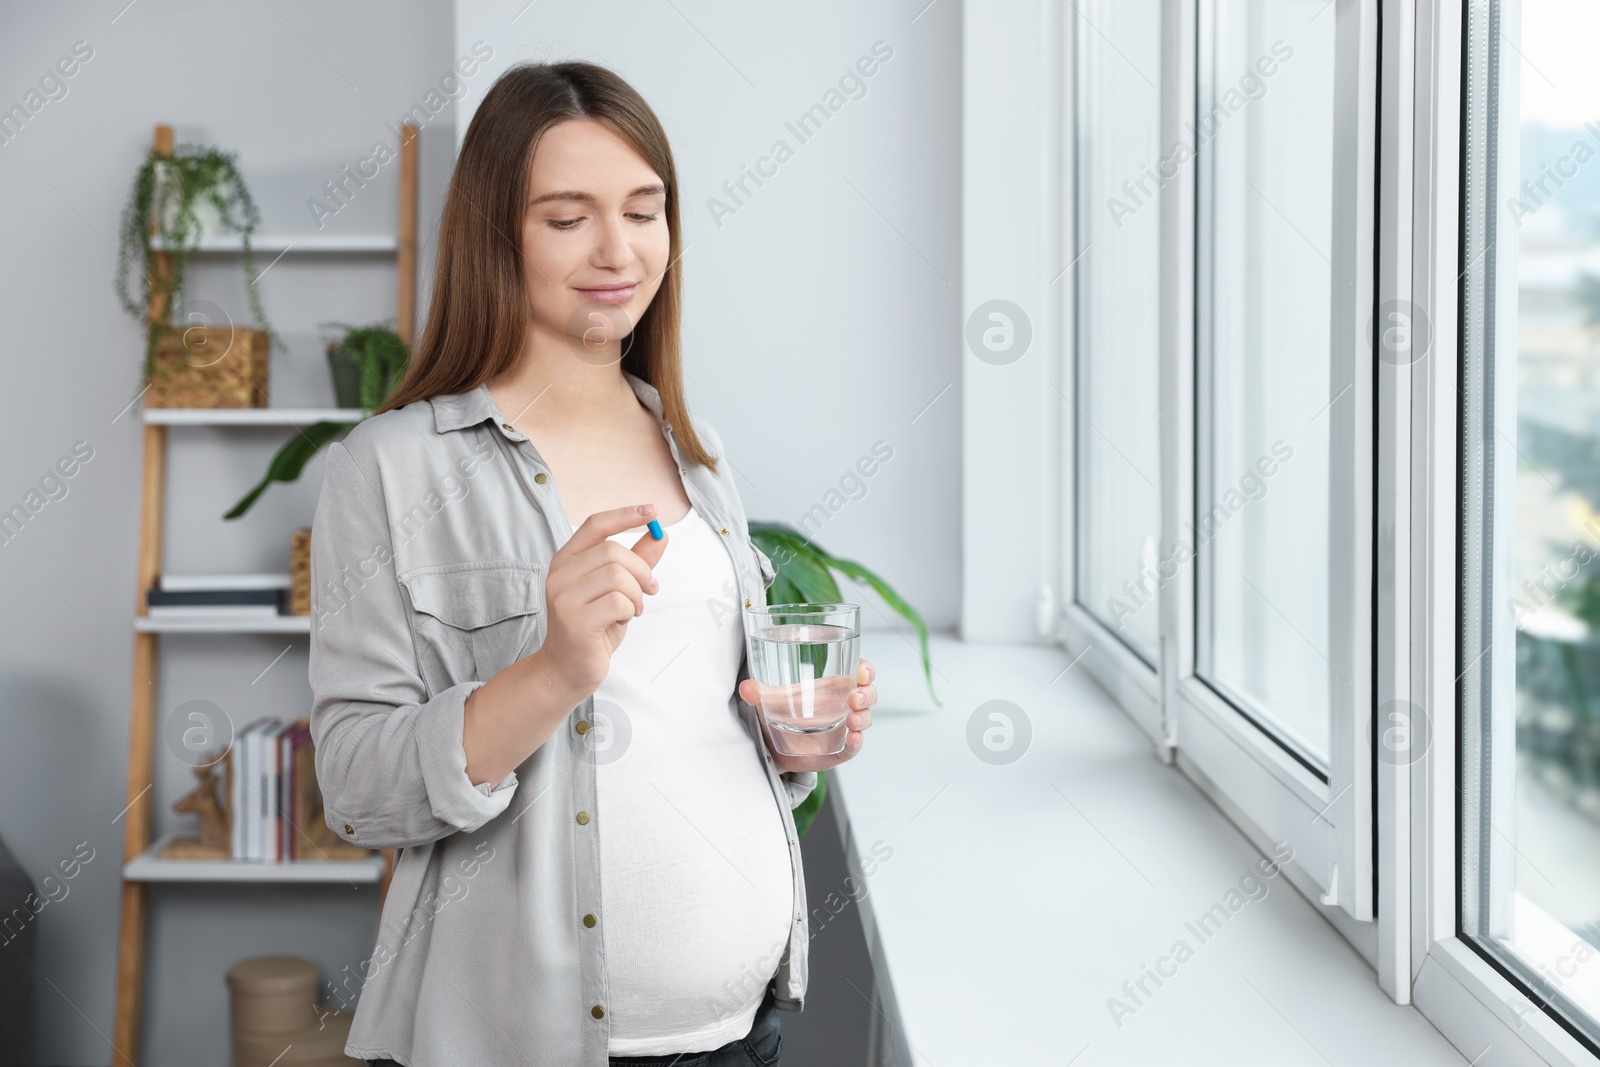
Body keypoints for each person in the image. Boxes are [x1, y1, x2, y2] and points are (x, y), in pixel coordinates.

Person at [307, 60, 878, 1067]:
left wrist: (790, 741)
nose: (619, 250)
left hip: (746, 1030)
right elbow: (355, 789)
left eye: (645, 210)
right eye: (567, 217)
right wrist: (550, 673)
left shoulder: (692, 446)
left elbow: (688, 726)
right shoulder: (388, 469)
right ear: (497, 234)